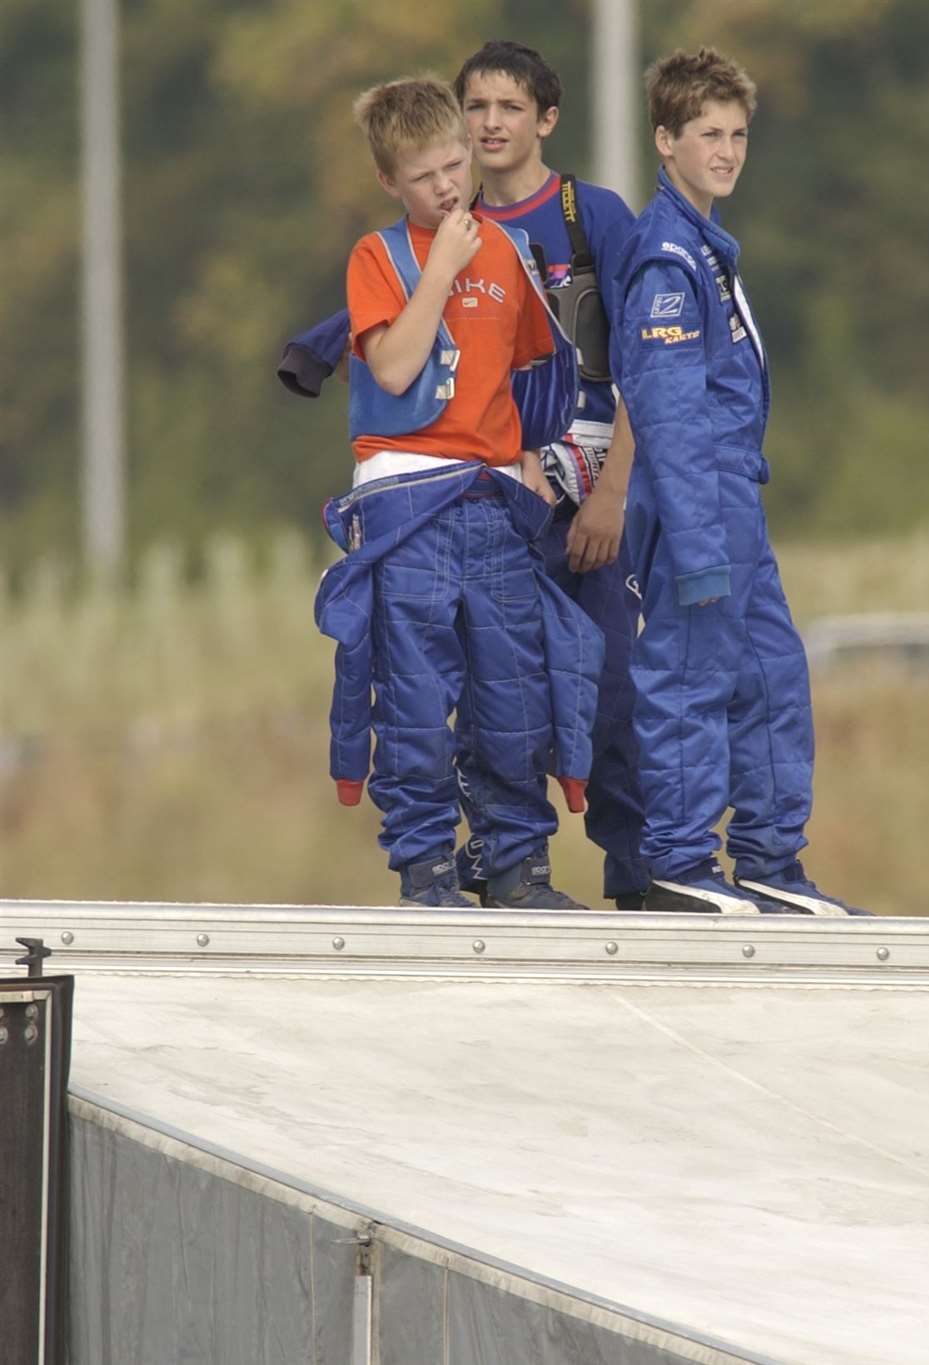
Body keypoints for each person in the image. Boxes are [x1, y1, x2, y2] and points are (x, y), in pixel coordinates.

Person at [315, 75, 603, 908]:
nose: (445, 187)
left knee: (516, 692)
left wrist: (535, 466)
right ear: (389, 183)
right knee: (411, 699)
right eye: (423, 176)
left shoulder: (510, 255)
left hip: (494, 502)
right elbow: (398, 366)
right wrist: (440, 267)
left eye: (454, 166)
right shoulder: (380, 256)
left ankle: (516, 866)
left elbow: (527, 378)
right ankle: (427, 869)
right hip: (407, 506)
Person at [613, 48, 869, 916]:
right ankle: (680, 858)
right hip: (698, 500)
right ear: (665, 141)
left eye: (738, 134)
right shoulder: (667, 260)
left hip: (737, 501)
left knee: (771, 676)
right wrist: (695, 540)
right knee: (689, 673)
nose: (726, 150)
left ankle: (767, 857)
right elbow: (671, 418)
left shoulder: (709, 247)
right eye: (708, 134)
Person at [450, 40, 648, 911]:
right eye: (478, 107)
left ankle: (644, 876)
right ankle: (508, 865)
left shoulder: (590, 215)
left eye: (510, 108)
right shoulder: (448, 223)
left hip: (593, 505)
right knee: (499, 691)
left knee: (616, 692)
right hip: (491, 503)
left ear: (546, 119)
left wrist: (610, 496)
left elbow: (648, 366)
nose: (493, 123)